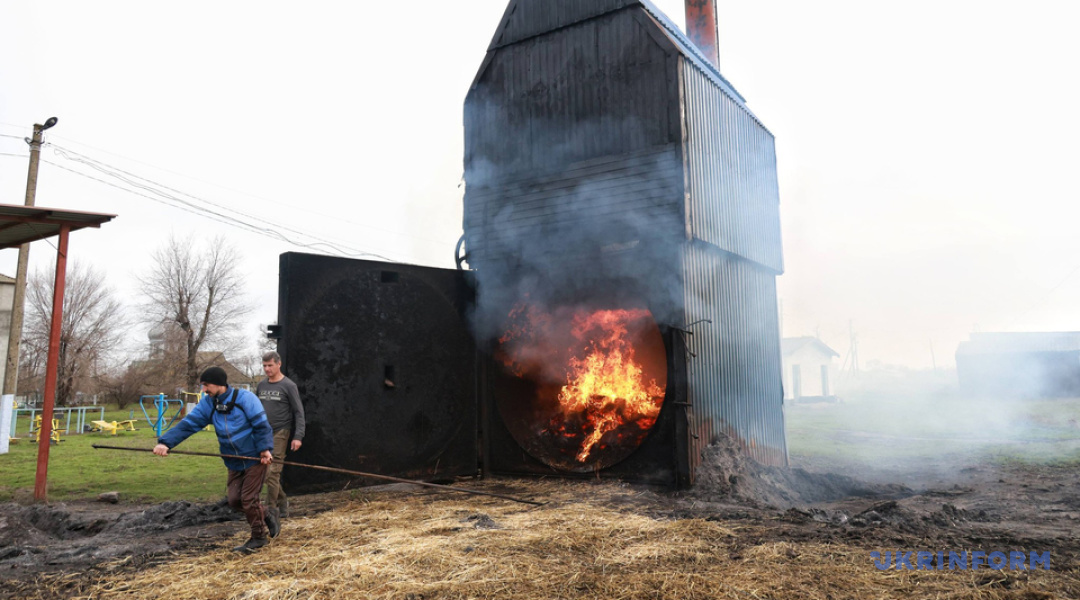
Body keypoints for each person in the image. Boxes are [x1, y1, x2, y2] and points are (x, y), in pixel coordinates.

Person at [153, 366, 279, 553]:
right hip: (232, 460)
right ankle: (267, 513)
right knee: (234, 501)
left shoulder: (245, 399)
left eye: (207, 385)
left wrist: (264, 450)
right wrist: (166, 443)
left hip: (254, 457)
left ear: (219, 384)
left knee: (248, 500)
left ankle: (259, 537)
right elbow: (189, 424)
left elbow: (261, 425)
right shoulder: (208, 404)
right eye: (202, 385)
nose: (204, 390)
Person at [256, 351, 305, 519]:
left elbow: (298, 412)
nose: (267, 369)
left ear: (279, 364)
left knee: (272, 472)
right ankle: (283, 502)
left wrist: (298, 436)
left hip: (280, 432)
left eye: (270, 365)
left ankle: (270, 510)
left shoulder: (288, 385)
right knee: (265, 473)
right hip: (263, 433)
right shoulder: (261, 385)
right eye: (264, 366)